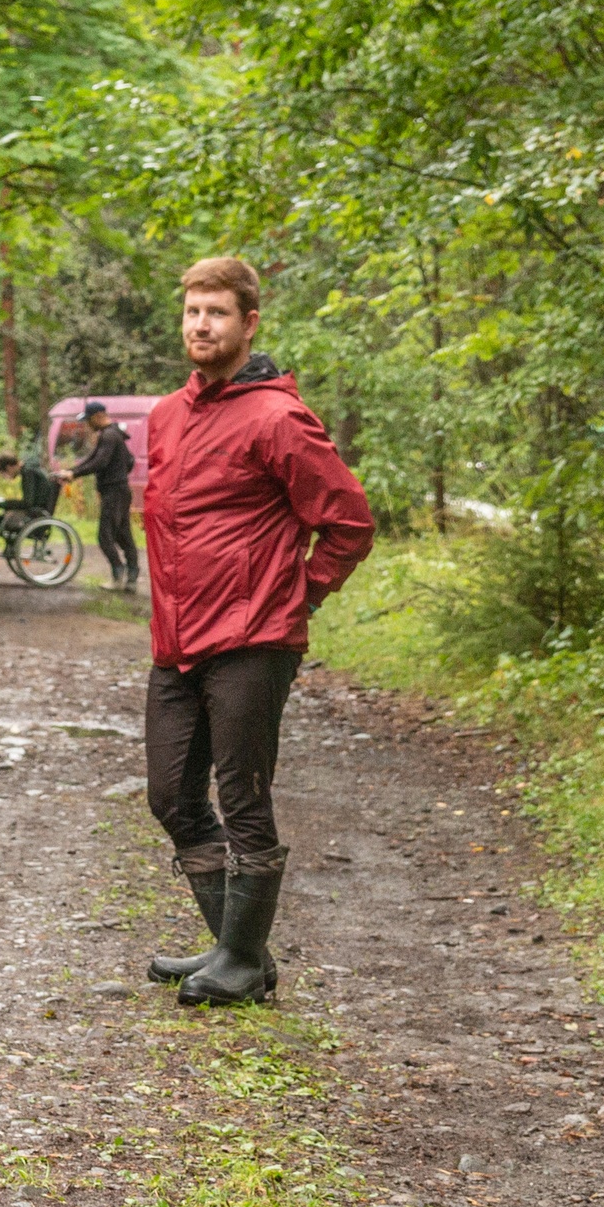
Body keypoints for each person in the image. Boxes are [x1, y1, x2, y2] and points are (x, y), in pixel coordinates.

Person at [139, 256, 373, 1006]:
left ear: (248, 324)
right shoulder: (168, 416)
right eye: (191, 312)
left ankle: (239, 958)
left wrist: (298, 595)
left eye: (216, 312)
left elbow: (349, 522)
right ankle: (237, 949)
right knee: (172, 791)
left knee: (242, 796)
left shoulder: (277, 417)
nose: (201, 325)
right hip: (177, 641)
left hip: (252, 639)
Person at [61, 401, 137, 591]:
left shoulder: (109, 436)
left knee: (105, 537)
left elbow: (100, 462)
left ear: (97, 417)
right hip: (119, 490)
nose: (87, 424)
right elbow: (127, 461)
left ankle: (118, 575)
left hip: (114, 492)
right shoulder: (114, 433)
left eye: (88, 420)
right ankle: (132, 578)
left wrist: (75, 474)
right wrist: (71, 471)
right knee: (123, 535)